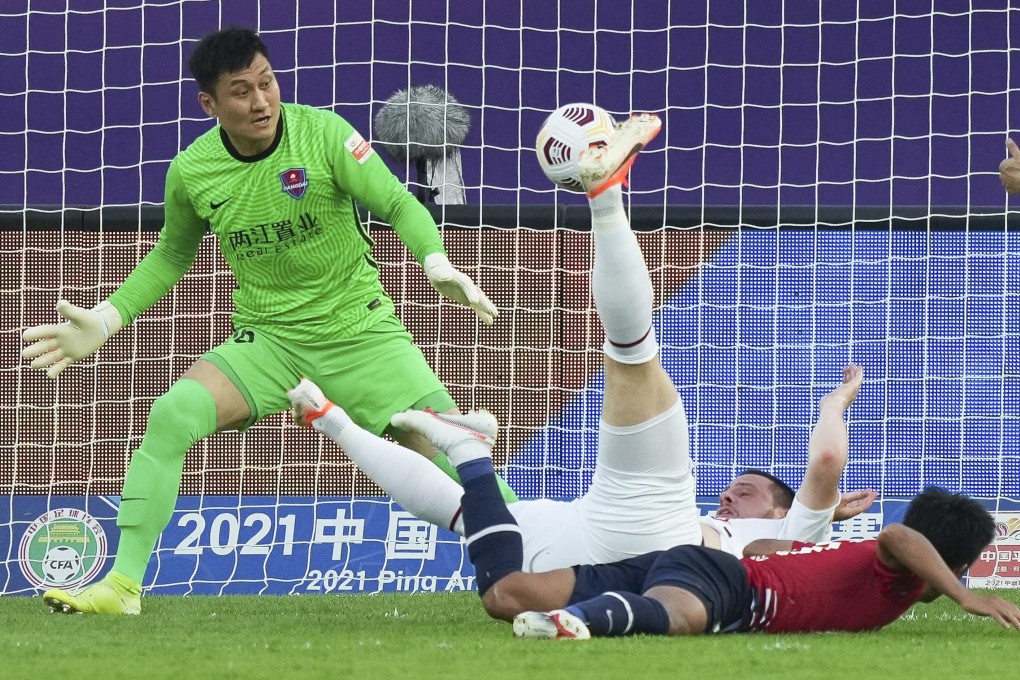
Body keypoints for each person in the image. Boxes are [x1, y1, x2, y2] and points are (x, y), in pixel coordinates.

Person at [22, 27, 513, 615]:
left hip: (362, 335)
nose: (260, 101)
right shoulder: (193, 171)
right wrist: (106, 318)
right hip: (269, 344)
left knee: (454, 450)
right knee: (173, 412)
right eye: (241, 91)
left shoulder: (325, 134)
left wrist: (435, 259)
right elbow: (172, 255)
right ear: (210, 104)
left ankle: (551, 565)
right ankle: (122, 588)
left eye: (267, 82)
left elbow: (399, 203)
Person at [288, 111, 877, 572]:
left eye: (744, 494)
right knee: (467, 512)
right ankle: (331, 418)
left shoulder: (788, 537)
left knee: (632, 360)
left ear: (779, 510)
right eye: (731, 492)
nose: (728, 501)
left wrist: (832, 411)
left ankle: (605, 193)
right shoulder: (767, 539)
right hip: (572, 548)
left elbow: (825, 461)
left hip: (650, 536)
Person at [399, 409, 1020, 639]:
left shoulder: (834, 547)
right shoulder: (896, 570)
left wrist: (812, 534)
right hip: (721, 583)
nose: (730, 499)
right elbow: (897, 537)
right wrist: (966, 595)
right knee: (679, 618)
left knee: (503, 594)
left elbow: (798, 541)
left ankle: (473, 460)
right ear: (955, 563)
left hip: (685, 561)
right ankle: (578, 622)